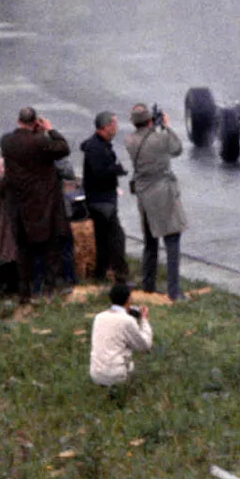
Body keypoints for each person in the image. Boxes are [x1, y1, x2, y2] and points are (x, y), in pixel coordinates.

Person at [0, 108, 73, 297]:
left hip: (19, 203)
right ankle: (52, 288)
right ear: (35, 122)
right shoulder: (40, 141)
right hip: (43, 202)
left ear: (18, 120)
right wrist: (49, 130)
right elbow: (63, 148)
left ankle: (25, 291)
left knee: (23, 250)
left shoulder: (6, 141)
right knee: (50, 247)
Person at [124, 101, 186, 301]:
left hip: (144, 193)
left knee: (150, 241)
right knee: (172, 240)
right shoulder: (160, 138)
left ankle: (148, 283)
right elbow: (177, 149)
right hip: (163, 192)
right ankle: (174, 291)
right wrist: (165, 126)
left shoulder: (129, 140)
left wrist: (154, 127)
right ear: (150, 120)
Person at [79, 110, 129, 299]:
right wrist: (116, 170)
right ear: (107, 126)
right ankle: (120, 276)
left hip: (99, 199)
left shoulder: (98, 145)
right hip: (102, 200)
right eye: (114, 124)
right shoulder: (97, 148)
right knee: (117, 237)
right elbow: (100, 172)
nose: (116, 127)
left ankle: (100, 274)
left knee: (102, 239)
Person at [87, 286, 152, 389]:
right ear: (128, 299)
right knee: (132, 366)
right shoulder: (127, 320)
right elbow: (145, 345)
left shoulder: (98, 317)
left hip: (96, 374)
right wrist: (144, 320)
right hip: (117, 375)